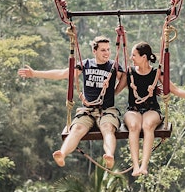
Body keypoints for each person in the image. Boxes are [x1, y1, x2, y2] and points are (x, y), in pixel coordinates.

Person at [17, 36, 123, 169]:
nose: (107, 53)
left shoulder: (114, 66)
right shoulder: (86, 65)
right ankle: (62, 153)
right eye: (103, 50)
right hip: (88, 110)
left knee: (107, 127)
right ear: (94, 51)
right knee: (77, 128)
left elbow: (126, 79)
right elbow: (62, 73)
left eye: (108, 50)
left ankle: (109, 155)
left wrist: (114, 91)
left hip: (106, 109)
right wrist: (35, 73)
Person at [116, 42, 185, 177]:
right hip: (133, 110)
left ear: (144, 57)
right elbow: (115, 91)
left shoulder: (156, 73)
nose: (131, 58)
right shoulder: (130, 73)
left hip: (151, 109)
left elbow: (176, 90)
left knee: (147, 125)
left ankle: (144, 165)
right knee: (134, 126)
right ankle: (136, 166)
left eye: (134, 55)